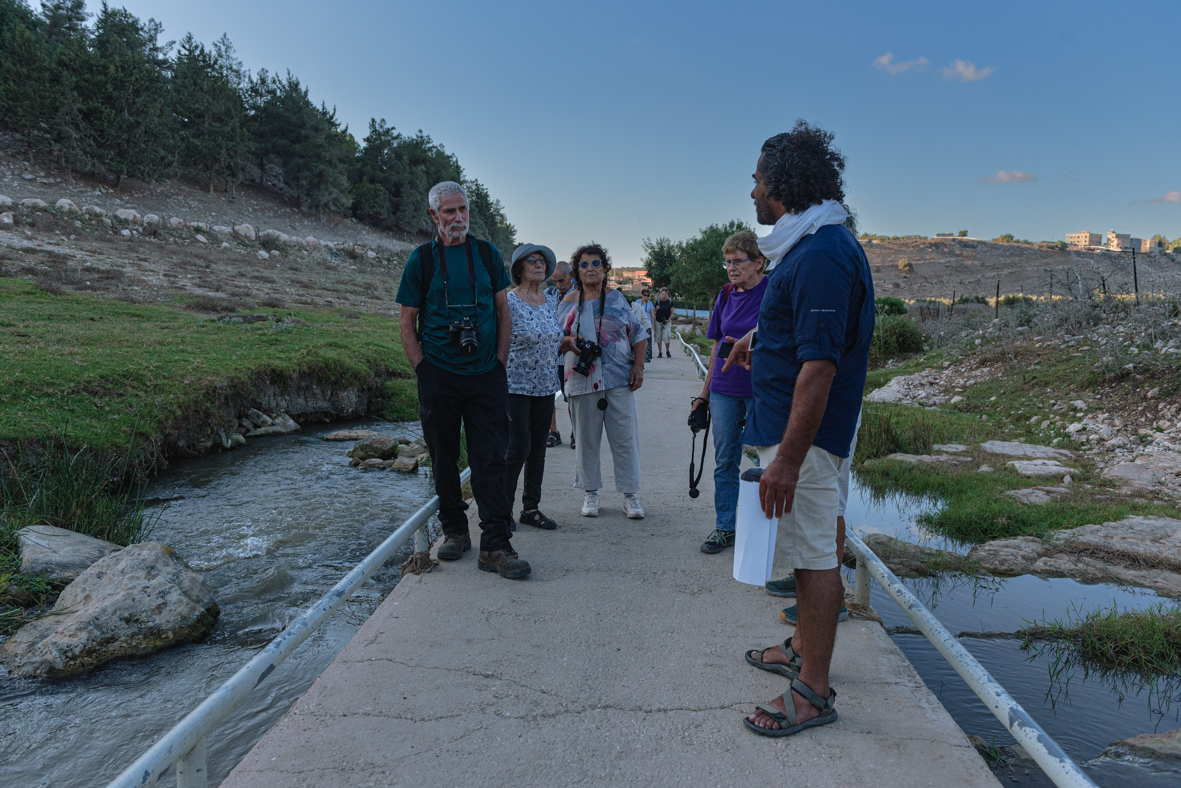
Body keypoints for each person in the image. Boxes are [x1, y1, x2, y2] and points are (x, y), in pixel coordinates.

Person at [724, 122, 874, 736]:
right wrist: (756, 342)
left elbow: (819, 368)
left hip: (805, 444)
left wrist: (787, 460)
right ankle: (798, 648)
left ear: (781, 184)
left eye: (758, 179)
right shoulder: (806, 245)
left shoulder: (821, 253)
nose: (752, 189)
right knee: (807, 551)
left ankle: (812, 691)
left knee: (815, 560)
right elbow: (800, 335)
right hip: (791, 433)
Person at [396, 181, 531, 581]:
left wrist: (500, 362)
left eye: (463, 210)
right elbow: (406, 319)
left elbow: (503, 312)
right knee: (443, 456)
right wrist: (423, 369)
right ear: (434, 216)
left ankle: (495, 544)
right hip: (439, 373)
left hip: (485, 373)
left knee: (491, 457)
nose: (458, 218)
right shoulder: (421, 259)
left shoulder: (487, 254)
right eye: (449, 212)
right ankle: (455, 530)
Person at [557, 243, 648, 519]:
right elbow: (554, 341)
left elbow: (639, 334)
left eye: (596, 263)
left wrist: (639, 367)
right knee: (586, 440)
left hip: (619, 379)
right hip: (582, 382)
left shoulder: (618, 298)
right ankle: (590, 493)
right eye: (584, 265)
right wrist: (570, 342)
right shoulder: (568, 302)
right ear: (577, 271)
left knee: (624, 439)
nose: (590, 269)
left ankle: (630, 495)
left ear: (606, 268)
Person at [693, 230, 769, 555]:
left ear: (759, 262)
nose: (731, 268)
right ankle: (725, 528)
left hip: (761, 390)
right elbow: (715, 348)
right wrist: (704, 396)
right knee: (725, 460)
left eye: (738, 261)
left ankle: (767, 532)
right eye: (727, 262)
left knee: (769, 461)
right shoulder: (725, 296)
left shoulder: (773, 292)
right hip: (724, 389)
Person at [504, 244, 562, 531]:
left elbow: (552, 339)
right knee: (517, 447)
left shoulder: (550, 300)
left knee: (538, 448)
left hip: (545, 386)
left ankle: (530, 508)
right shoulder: (508, 301)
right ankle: (502, 510)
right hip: (514, 385)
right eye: (532, 261)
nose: (539, 265)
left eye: (542, 261)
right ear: (519, 268)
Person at [544, 261, 575, 448]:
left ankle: (575, 433)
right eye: (555, 281)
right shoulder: (549, 294)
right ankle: (553, 431)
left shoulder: (579, 295)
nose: (558, 285)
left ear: (571, 275)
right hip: (552, 354)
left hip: (570, 353)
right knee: (548, 395)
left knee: (571, 394)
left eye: (561, 280)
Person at [631, 288, 653, 363]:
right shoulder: (637, 302)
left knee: (645, 344)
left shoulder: (636, 307)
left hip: (646, 326)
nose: (646, 296)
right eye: (645, 295)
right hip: (641, 326)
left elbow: (637, 321)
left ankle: (646, 359)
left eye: (648, 295)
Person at [652, 289, 673, 358]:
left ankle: (667, 350)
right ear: (661, 295)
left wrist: (669, 319)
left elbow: (672, 312)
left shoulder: (670, 302)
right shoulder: (658, 302)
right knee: (658, 337)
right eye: (663, 294)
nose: (664, 295)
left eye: (665, 294)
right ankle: (660, 352)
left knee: (667, 336)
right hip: (658, 321)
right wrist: (656, 309)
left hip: (667, 321)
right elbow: (653, 311)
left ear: (667, 295)